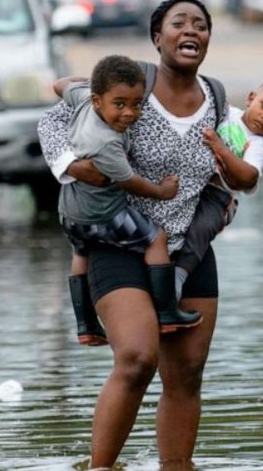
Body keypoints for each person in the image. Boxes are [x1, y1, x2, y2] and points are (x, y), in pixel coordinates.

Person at [37, 0, 226, 467]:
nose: (191, 31)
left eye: (200, 25)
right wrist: (73, 167)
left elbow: (231, 169)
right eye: (178, 23)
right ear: (156, 36)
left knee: (186, 375)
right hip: (117, 240)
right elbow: (53, 118)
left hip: (187, 252)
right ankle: (100, 467)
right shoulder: (127, 80)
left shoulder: (217, 97)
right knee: (138, 358)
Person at [54, 54, 202, 345]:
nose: (129, 114)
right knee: (156, 238)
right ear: (98, 101)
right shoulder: (106, 141)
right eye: (119, 104)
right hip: (104, 216)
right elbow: (130, 182)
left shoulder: (82, 97)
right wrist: (162, 191)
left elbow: (60, 84)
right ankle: (166, 312)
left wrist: (86, 83)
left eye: (136, 104)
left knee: (81, 253)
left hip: (69, 213)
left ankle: (85, 326)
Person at [171, 78, 263, 299]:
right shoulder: (226, 113)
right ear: (251, 98)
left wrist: (220, 148)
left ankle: (179, 274)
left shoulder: (257, 144)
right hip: (191, 180)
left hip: (217, 195)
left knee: (202, 228)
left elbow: (249, 177)